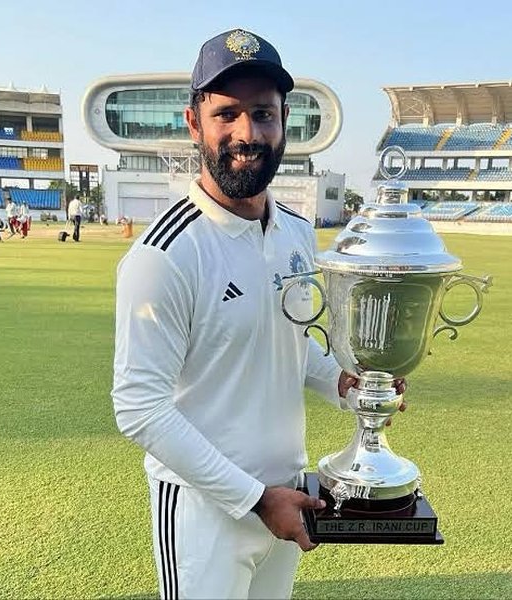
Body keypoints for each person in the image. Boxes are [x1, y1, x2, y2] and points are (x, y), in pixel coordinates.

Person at [112, 29, 405, 599]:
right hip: (204, 511)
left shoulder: (296, 232)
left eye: (263, 114)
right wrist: (252, 498)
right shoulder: (164, 255)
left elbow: (289, 342)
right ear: (194, 123)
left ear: (284, 121)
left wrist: (348, 384)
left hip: (287, 496)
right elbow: (139, 408)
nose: (247, 134)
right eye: (227, 114)